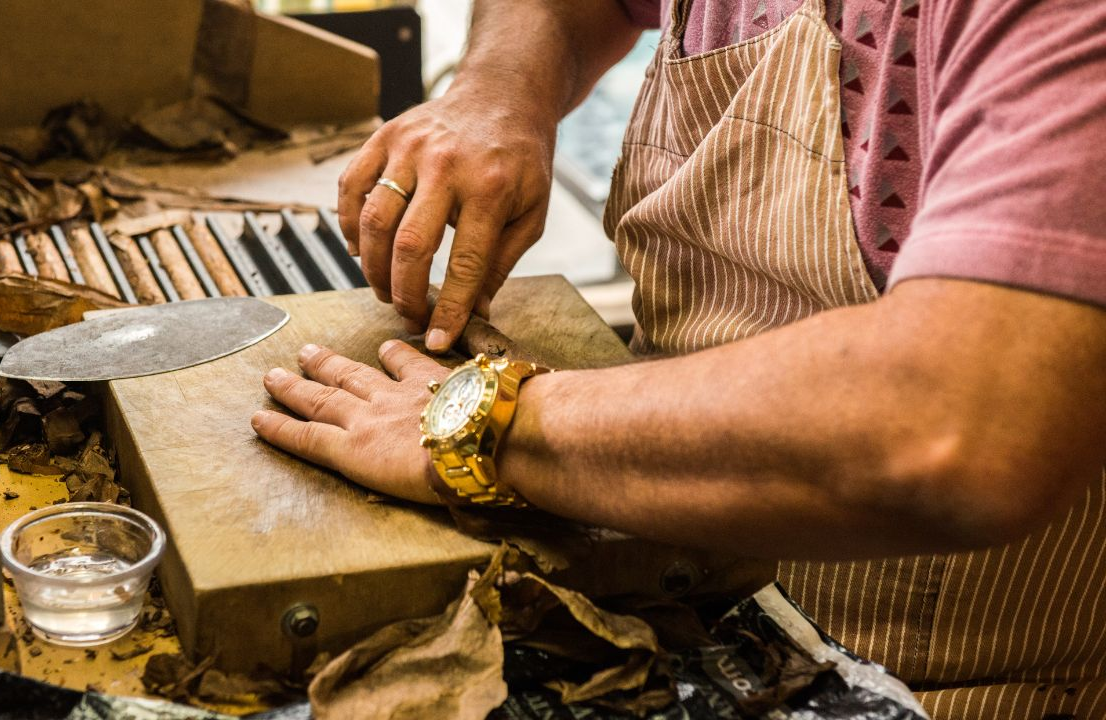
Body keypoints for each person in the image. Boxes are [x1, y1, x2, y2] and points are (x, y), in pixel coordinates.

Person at [250, 0, 1106, 716]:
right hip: (673, 592)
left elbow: (960, 423)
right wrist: (500, 86)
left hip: (936, 679)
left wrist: (488, 422)